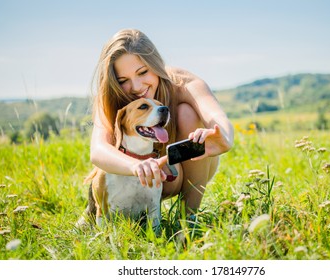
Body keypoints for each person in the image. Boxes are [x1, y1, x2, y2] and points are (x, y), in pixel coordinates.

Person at [90, 29, 233, 214]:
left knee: (187, 113)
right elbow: (98, 150)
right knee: (105, 183)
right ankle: (97, 207)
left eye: (142, 72)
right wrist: (136, 166)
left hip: (175, 172)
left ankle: (189, 217)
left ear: (156, 64)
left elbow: (215, 115)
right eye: (123, 80)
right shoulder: (111, 96)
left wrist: (224, 138)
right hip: (130, 175)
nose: (136, 87)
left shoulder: (181, 82)